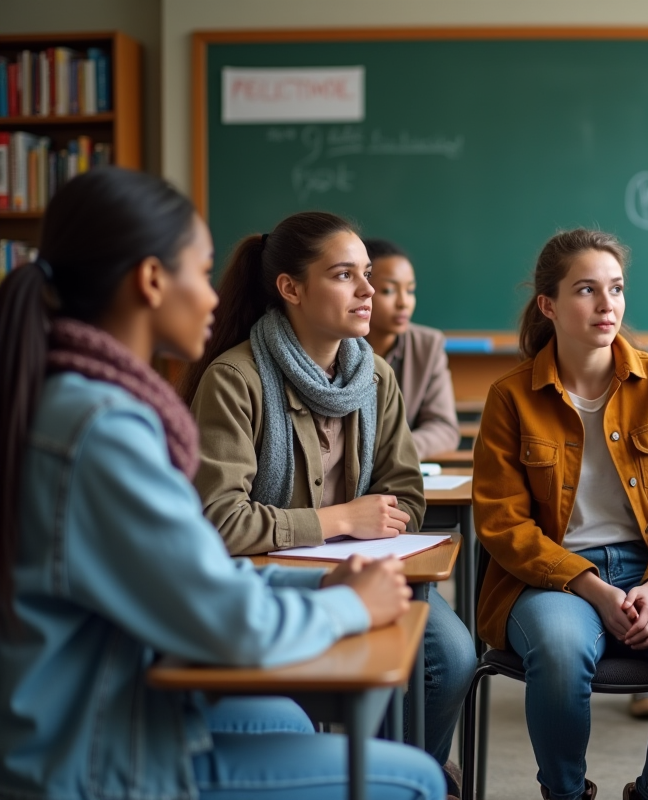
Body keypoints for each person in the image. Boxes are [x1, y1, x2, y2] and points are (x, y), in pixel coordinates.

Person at [0, 168, 443, 799]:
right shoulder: (104, 431)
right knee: (419, 780)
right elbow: (229, 621)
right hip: (92, 754)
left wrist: (319, 581)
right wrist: (349, 605)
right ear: (152, 281)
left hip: (108, 698)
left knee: (288, 717)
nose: (215, 297)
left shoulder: (76, 399)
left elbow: (193, 571)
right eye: (201, 272)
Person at [179, 212, 474, 797]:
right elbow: (219, 522)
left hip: (370, 566)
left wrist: (372, 529)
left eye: (367, 274)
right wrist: (341, 521)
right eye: (346, 276)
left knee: (453, 656)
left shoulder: (376, 377)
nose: (369, 291)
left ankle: (399, 772)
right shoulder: (235, 378)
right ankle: (384, 778)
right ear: (291, 288)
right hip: (266, 579)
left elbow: (407, 494)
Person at [472, 228, 648, 800]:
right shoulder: (511, 396)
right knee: (563, 654)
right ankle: (565, 794)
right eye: (586, 290)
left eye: (615, 289)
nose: (606, 305)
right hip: (552, 579)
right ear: (548, 305)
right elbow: (502, 523)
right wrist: (591, 587)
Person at [363, 238, 460, 460]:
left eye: (410, 290)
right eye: (388, 291)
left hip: (398, 467)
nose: (403, 303)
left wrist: (393, 452)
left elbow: (444, 428)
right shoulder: (336, 344)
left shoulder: (428, 345)